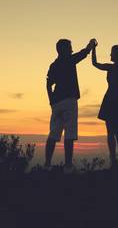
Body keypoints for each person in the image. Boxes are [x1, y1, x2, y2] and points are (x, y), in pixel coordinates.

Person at [45, 37, 97, 170]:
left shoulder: (54, 65)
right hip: (69, 101)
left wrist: (51, 101)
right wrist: (91, 44)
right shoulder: (69, 60)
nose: (71, 50)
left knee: (53, 134)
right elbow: (83, 53)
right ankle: (68, 166)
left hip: (57, 102)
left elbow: (49, 83)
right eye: (69, 47)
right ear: (64, 49)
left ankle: (47, 165)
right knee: (69, 134)